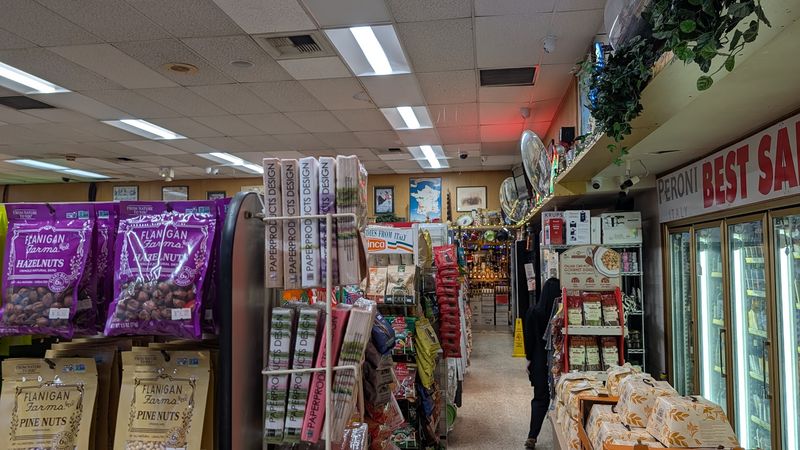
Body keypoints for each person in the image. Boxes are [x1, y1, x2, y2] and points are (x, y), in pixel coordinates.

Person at [523, 277, 561, 449]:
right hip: (560, 360)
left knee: (540, 398)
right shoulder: (561, 315)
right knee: (562, 397)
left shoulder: (533, 312)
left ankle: (532, 435)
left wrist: (529, 359)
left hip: (539, 362)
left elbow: (528, 340)